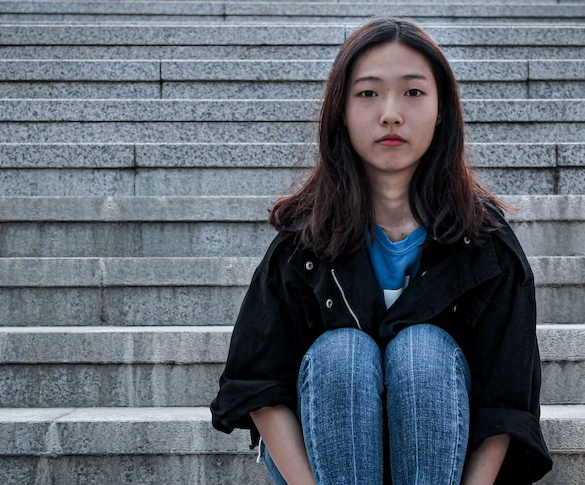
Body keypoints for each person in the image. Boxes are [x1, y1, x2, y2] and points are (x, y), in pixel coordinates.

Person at [210, 16, 553, 485]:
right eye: (368, 93)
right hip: (322, 461)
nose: (390, 113)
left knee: (422, 352)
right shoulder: (303, 241)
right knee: (342, 354)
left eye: (413, 92)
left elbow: (504, 403)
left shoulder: (487, 245)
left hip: (445, 457)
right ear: (342, 112)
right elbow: (260, 386)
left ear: (441, 110)